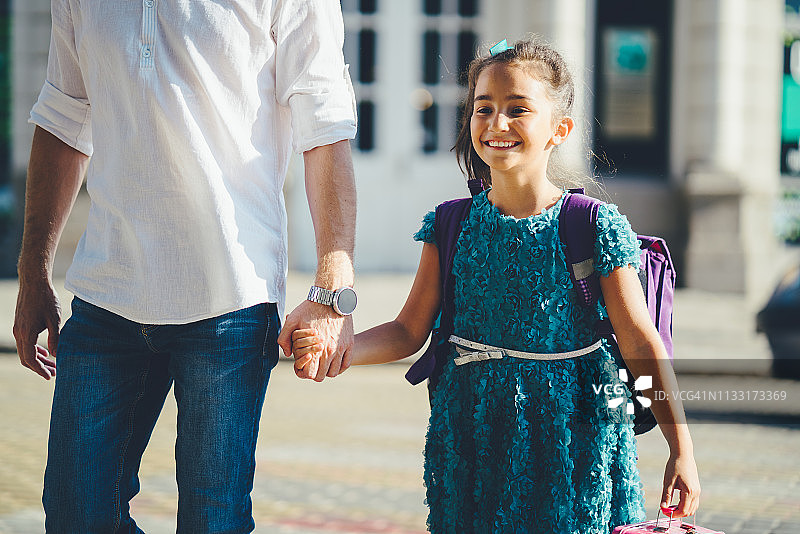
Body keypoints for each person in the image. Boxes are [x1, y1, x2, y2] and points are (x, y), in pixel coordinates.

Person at [291, 36, 701, 532]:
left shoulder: (592, 227)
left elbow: (640, 342)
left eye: (518, 109)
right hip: (471, 441)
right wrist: (340, 349)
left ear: (559, 129)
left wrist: (681, 450)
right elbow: (407, 331)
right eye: (483, 108)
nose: (497, 123)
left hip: (575, 445)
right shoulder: (450, 225)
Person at [13, 1, 357, 532]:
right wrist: (33, 272)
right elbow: (63, 116)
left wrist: (333, 287)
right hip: (107, 296)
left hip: (231, 302)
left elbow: (325, 125)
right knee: (75, 514)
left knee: (212, 522)